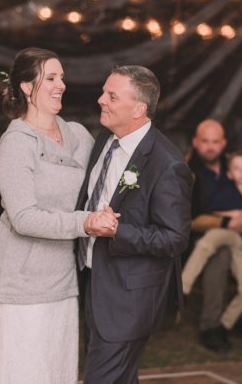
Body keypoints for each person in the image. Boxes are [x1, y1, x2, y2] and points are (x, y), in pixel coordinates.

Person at [0, 47, 116, 384]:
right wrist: (84, 222)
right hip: (22, 282)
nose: (61, 85)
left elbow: (100, 185)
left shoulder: (77, 135)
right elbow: (24, 218)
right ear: (27, 87)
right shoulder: (16, 143)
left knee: (57, 371)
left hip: (63, 280)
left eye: (62, 78)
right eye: (51, 78)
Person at [75, 65, 192, 383]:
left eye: (112, 96)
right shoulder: (104, 139)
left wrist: (118, 231)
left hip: (128, 298)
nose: (101, 100)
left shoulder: (167, 164)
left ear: (139, 109)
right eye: (104, 92)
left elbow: (174, 238)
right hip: (93, 282)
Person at [188, 119, 242, 352]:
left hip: (240, 234)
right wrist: (228, 222)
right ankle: (211, 326)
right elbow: (189, 220)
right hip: (199, 236)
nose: (210, 146)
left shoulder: (234, 166)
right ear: (195, 142)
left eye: (215, 141)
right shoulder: (188, 172)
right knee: (221, 253)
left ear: (224, 143)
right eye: (205, 141)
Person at [182, 152, 242, 332]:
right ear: (230, 174)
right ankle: (183, 287)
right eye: (237, 169)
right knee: (211, 239)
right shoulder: (226, 192)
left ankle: (224, 325)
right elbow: (212, 210)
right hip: (228, 235)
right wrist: (235, 214)